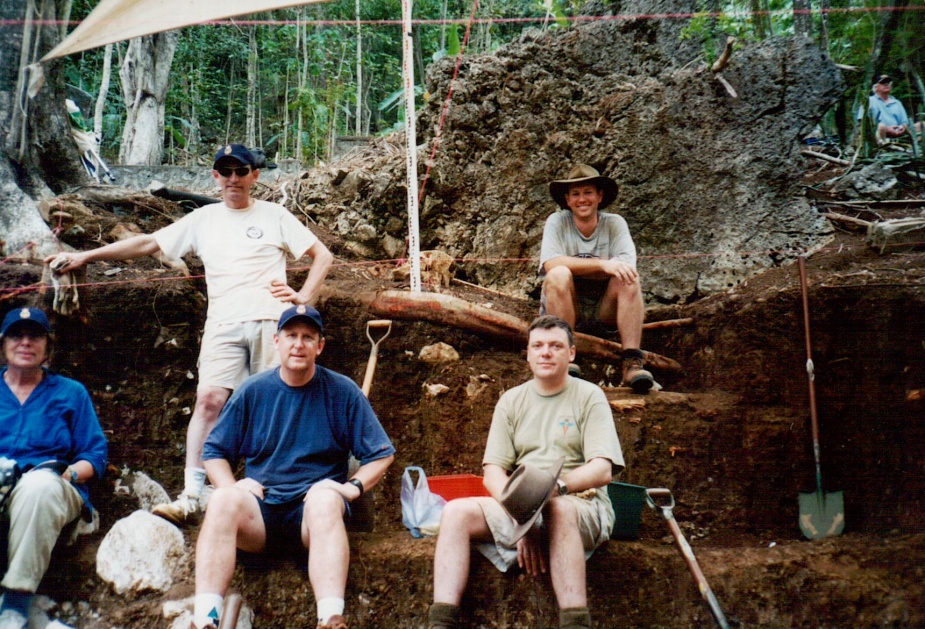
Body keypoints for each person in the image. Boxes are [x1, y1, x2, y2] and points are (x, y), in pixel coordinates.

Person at [46, 144, 334, 525]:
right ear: (215, 176)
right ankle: (193, 492)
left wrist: (302, 300)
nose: (234, 179)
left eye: (241, 171)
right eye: (226, 171)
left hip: (272, 323)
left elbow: (322, 255)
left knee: (278, 404)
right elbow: (149, 243)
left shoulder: (275, 215)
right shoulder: (204, 219)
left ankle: (275, 490)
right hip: (223, 325)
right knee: (210, 400)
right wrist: (86, 257)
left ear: (255, 176)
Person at [191, 305, 395, 629]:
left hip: (311, 518)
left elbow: (381, 454)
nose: (298, 344)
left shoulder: (343, 392)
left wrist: (350, 488)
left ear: (320, 345)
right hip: (260, 512)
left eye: (307, 337)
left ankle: (330, 619)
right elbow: (213, 451)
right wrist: (231, 486)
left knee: (326, 500)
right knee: (221, 500)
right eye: (291, 336)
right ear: (277, 341)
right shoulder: (253, 391)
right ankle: (206, 620)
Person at [427, 315, 623, 629]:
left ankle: (575, 623)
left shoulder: (589, 396)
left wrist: (551, 491)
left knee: (558, 508)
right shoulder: (511, 401)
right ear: (528, 354)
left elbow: (602, 469)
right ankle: (441, 621)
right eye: (538, 346)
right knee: (455, 512)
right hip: (522, 503)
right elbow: (493, 472)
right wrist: (523, 515)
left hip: (579, 503)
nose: (546, 352)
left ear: (571, 353)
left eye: (556, 346)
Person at [0, 308, 108, 629]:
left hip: (48, 488)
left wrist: (68, 474)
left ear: (48, 346)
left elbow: (95, 454)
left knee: (39, 487)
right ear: (3, 343)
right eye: (16, 335)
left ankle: (15, 604)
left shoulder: (70, 392)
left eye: (35, 336)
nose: (26, 342)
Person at [539, 163, 654, 393]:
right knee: (558, 274)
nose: (583, 199)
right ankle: (564, 359)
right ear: (568, 200)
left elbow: (627, 267)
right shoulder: (557, 222)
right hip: (568, 307)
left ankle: (632, 361)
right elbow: (551, 263)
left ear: (599, 196)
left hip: (605, 310)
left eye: (588, 192)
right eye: (576, 194)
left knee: (628, 278)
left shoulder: (614, 224)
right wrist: (603, 264)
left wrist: (594, 267)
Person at [861, 74, 921, 144]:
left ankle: (918, 146)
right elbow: (863, 123)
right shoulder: (869, 101)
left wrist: (902, 127)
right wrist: (887, 129)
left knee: (921, 125)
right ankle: (882, 148)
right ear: (875, 87)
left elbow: (904, 122)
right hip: (879, 134)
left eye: (888, 82)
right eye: (883, 82)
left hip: (899, 133)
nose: (887, 84)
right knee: (881, 126)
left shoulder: (897, 102)